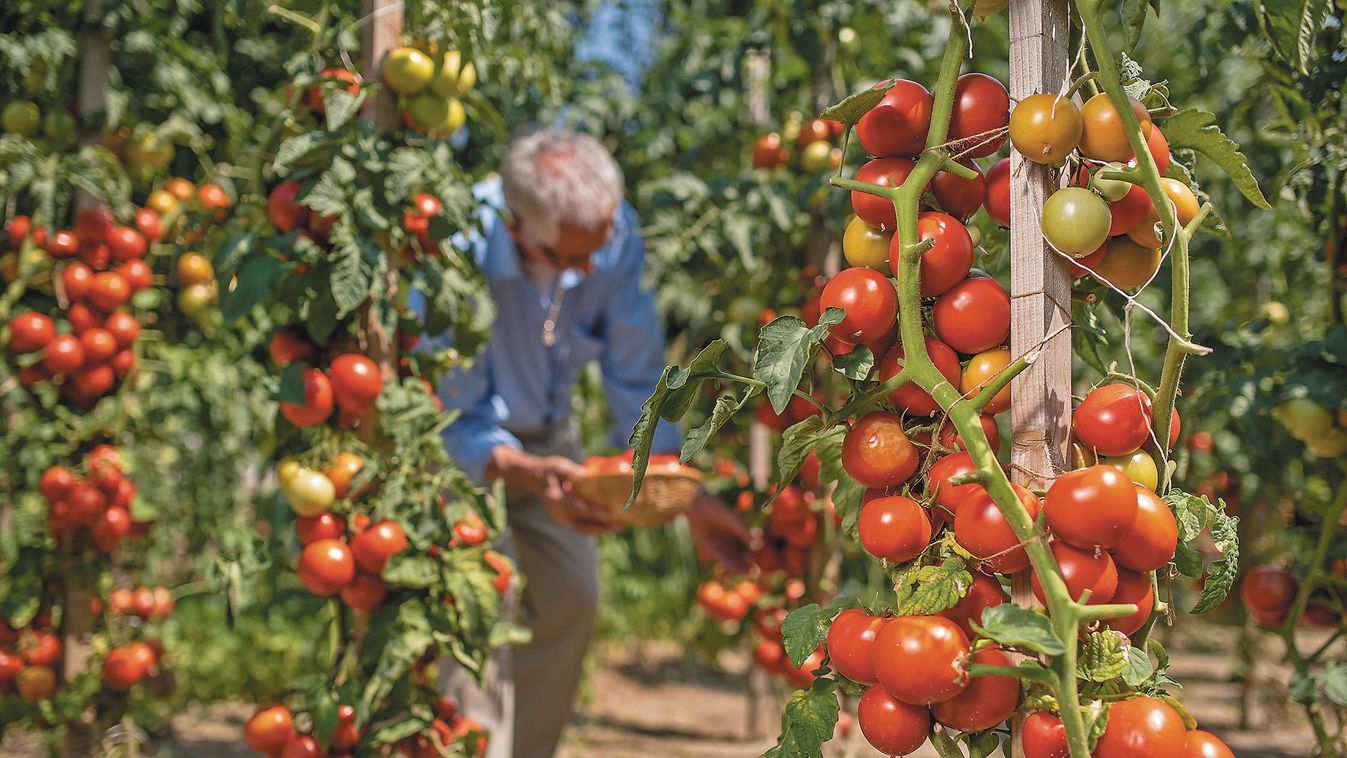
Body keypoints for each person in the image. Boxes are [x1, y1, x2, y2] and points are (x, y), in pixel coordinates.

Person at [421, 129, 753, 758]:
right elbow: (452, 414)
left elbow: (635, 370)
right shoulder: (456, 251)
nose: (589, 270)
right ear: (518, 227)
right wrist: (515, 467)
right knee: (478, 601)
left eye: (597, 250)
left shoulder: (610, 234)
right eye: (569, 260)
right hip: (462, 449)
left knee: (574, 599)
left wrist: (687, 495)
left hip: (552, 440)